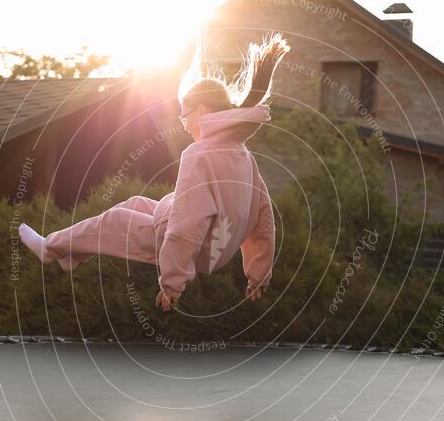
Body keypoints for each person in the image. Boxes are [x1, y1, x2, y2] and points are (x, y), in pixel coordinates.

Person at [18, 32, 290, 313]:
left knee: (115, 220)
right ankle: (70, 254)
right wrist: (259, 275)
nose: (184, 125)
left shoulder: (199, 154)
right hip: (217, 250)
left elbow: (188, 223)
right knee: (134, 204)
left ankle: (49, 249)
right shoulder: (243, 155)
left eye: (185, 115)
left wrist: (172, 283)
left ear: (202, 110)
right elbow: (263, 218)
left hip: (199, 250)